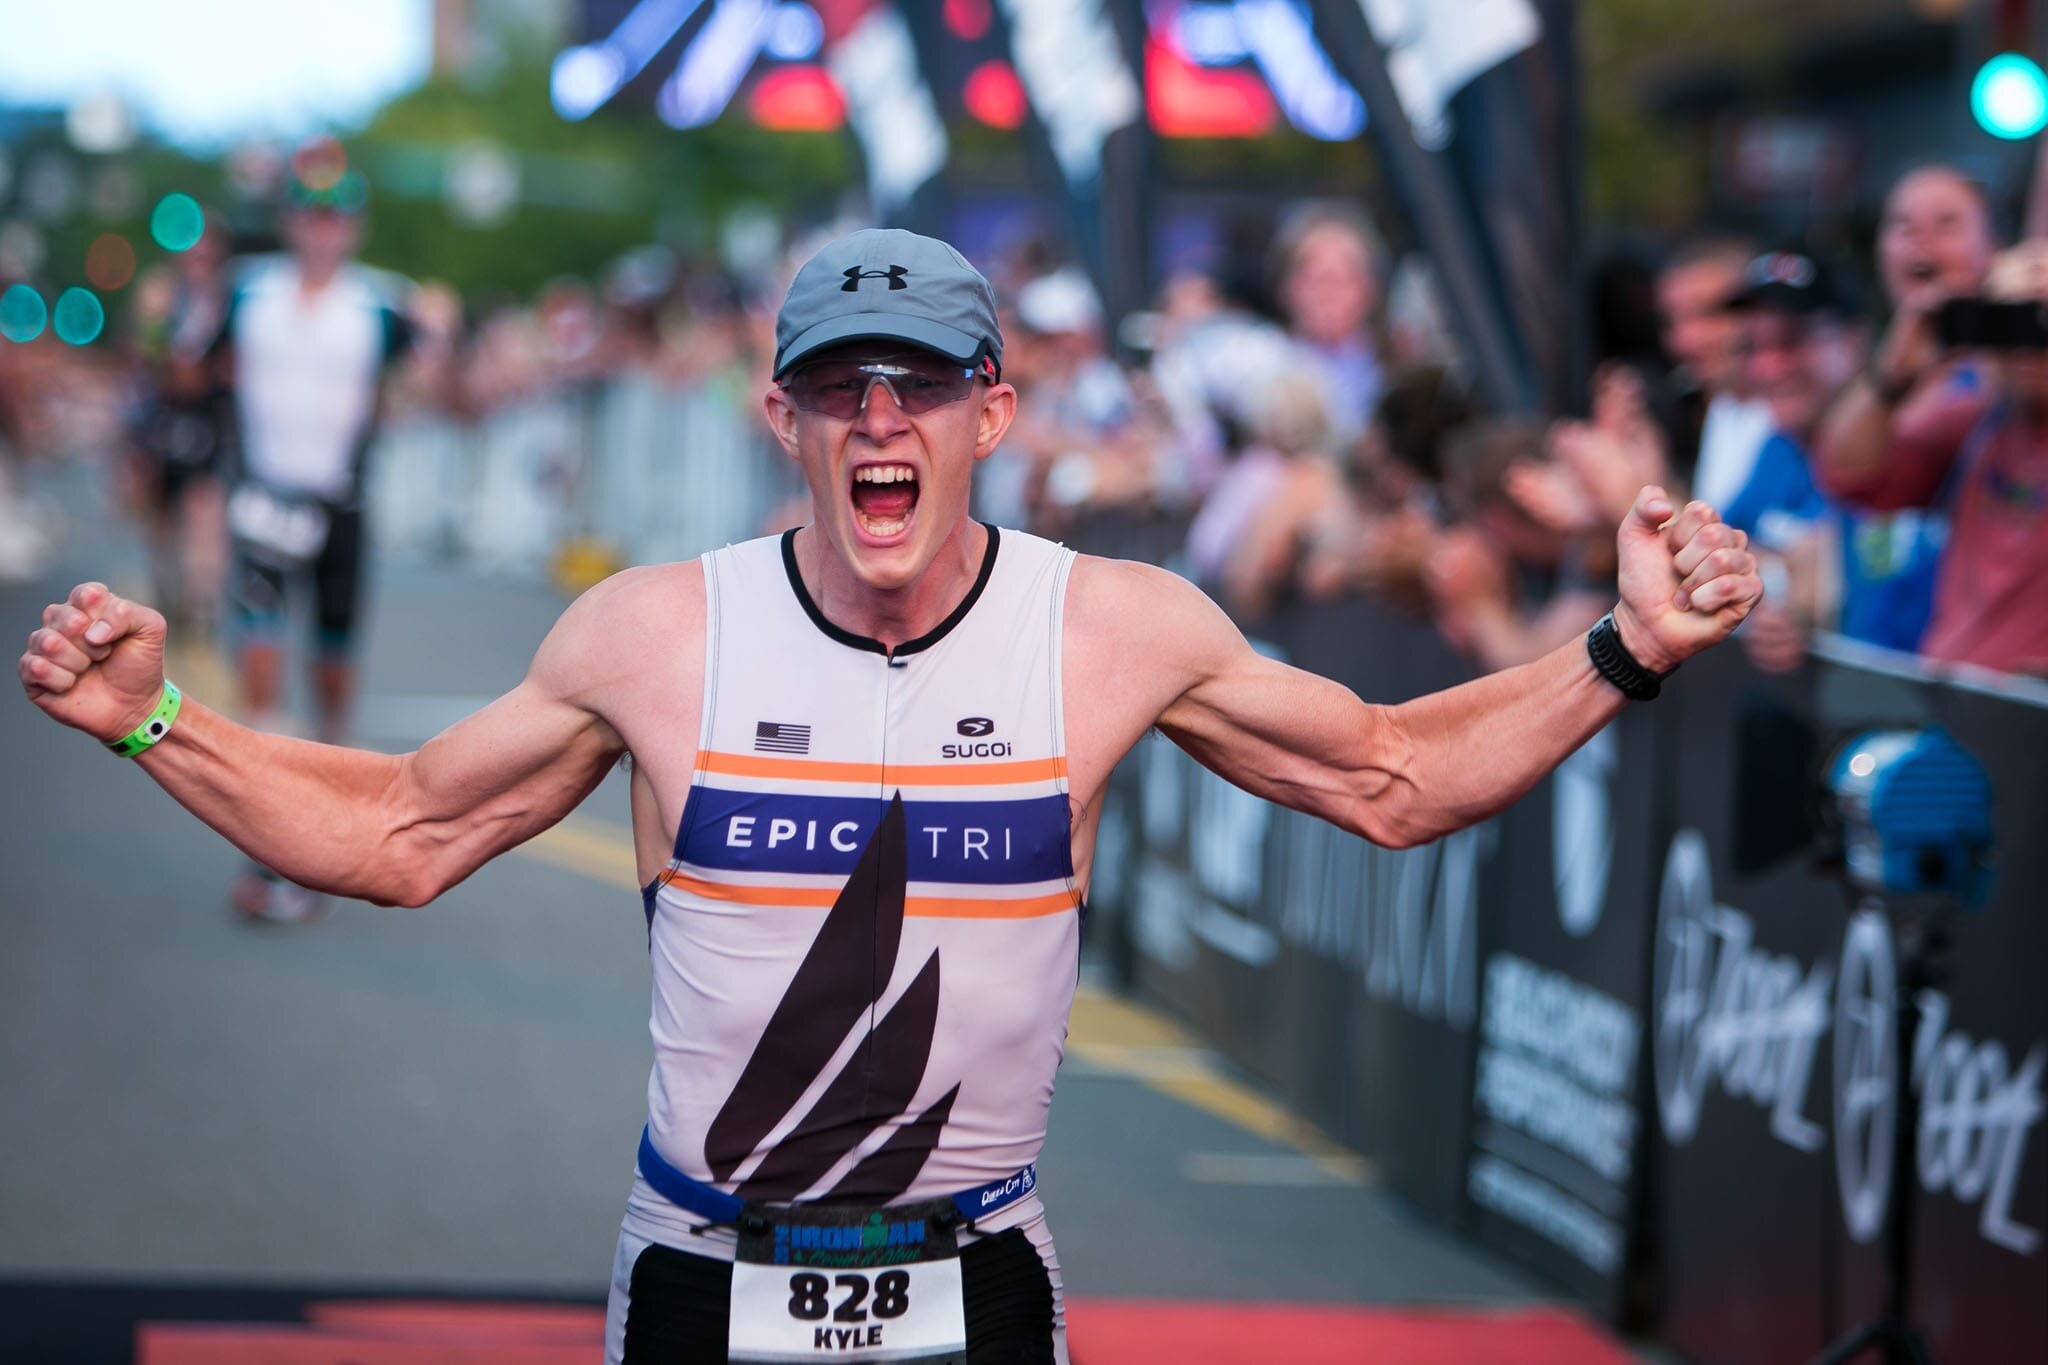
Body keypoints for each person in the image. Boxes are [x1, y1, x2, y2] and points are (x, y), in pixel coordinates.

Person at [18, 228, 1761, 1365]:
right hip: (703, 1278)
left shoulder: (1110, 629)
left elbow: (1390, 774)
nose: (879, 420)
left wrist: (1623, 647)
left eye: (919, 382)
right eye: (839, 386)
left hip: (975, 1285)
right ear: (778, 414)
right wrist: (150, 717)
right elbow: (399, 832)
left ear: (990, 411)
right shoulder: (657, 635)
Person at [211, 138, 452, 921]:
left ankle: (326, 825)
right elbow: (191, 365)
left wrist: (435, 357)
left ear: (355, 225)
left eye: (336, 216)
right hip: (263, 498)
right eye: (309, 214)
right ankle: (268, 844)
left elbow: (442, 382)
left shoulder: (382, 303)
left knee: (331, 678)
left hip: (340, 504)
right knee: (260, 672)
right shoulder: (247, 291)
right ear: (289, 220)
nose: (321, 229)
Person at [1815, 238, 2048, 676]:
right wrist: (1891, 377)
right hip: (1955, 690)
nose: (2027, 345)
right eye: (2008, 320)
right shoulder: (1979, 420)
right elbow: (1848, 474)